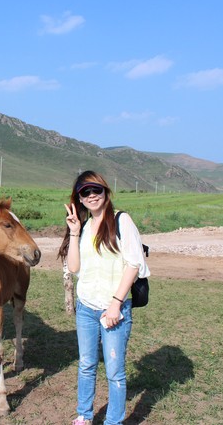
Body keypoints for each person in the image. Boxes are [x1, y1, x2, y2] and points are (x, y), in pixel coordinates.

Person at [57, 170, 150, 425]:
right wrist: (74, 232)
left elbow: (134, 264)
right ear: (79, 198)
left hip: (114, 309)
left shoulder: (122, 221)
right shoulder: (85, 227)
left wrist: (115, 304)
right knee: (86, 364)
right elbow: (74, 269)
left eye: (95, 189)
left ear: (105, 191)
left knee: (115, 371)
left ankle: (113, 421)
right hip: (86, 307)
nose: (91, 195)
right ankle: (84, 416)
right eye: (84, 192)